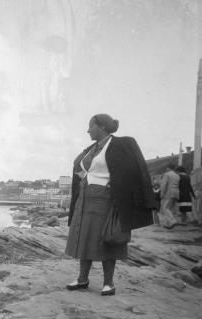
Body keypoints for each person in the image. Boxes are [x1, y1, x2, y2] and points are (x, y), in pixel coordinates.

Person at [65, 114, 157, 296]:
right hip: (85, 199)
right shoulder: (92, 149)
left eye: (90, 126)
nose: (88, 130)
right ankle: (82, 279)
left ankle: (109, 283)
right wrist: (84, 177)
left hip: (105, 200)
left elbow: (134, 171)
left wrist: (118, 190)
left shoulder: (119, 145)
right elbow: (84, 170)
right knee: (84, 238)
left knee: (107, 239)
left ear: (102, 127)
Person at [159, 163, 180, 228]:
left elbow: (164, 185)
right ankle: (169, 224)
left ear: (168, 168)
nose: (166, 169)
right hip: (176, 193)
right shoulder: (177, 175)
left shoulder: (166, 174)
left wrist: (162, 194)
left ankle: (172, 221)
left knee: (165, 208)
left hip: (169, 193)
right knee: (171, 208)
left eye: (166, 168)